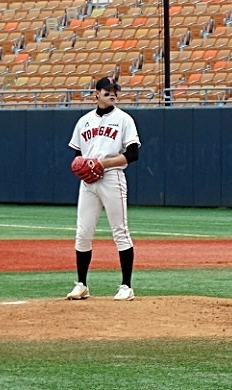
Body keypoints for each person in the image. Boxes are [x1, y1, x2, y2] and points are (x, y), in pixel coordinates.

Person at [66, 76, 141, 301]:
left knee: (120, 231)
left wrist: (103, 163)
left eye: (114, 91)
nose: (112, 94)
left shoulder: (124, 119)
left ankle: (126, 286)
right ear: (96, 93)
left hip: (112, 178)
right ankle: (81, 285)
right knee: (83, 233)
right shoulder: (84, 121)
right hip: (89, 182)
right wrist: (81, 166)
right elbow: (78, 154)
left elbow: (133, 154)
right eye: (107, 90)